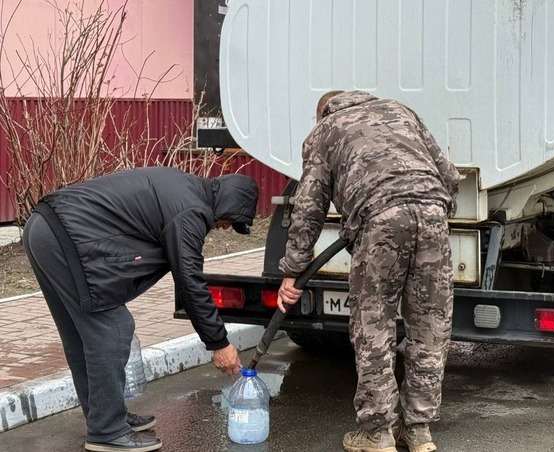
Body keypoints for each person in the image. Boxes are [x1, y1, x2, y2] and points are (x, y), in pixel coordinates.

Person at [22, 167, 259, 452]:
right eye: (231, 221)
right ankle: (107, 430)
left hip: (44, 228)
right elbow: (189, 280)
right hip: (64, 237)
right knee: (113, 329)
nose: (225, 227)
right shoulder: (190, 211)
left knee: (81, 336)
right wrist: (218, 343)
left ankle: (105, 418)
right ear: (229, 205)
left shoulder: (185, 191)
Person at [277, 90, 460, 452]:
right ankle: (419, 430)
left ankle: (378, 432)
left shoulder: (326, 130)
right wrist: (434, 214)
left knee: (374, 325)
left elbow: (309, 208)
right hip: (433, 214)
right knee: (430, 325)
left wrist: (292, 271)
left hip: (380, 219)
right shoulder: (399, 110)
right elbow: (449, 175)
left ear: (322, 113)